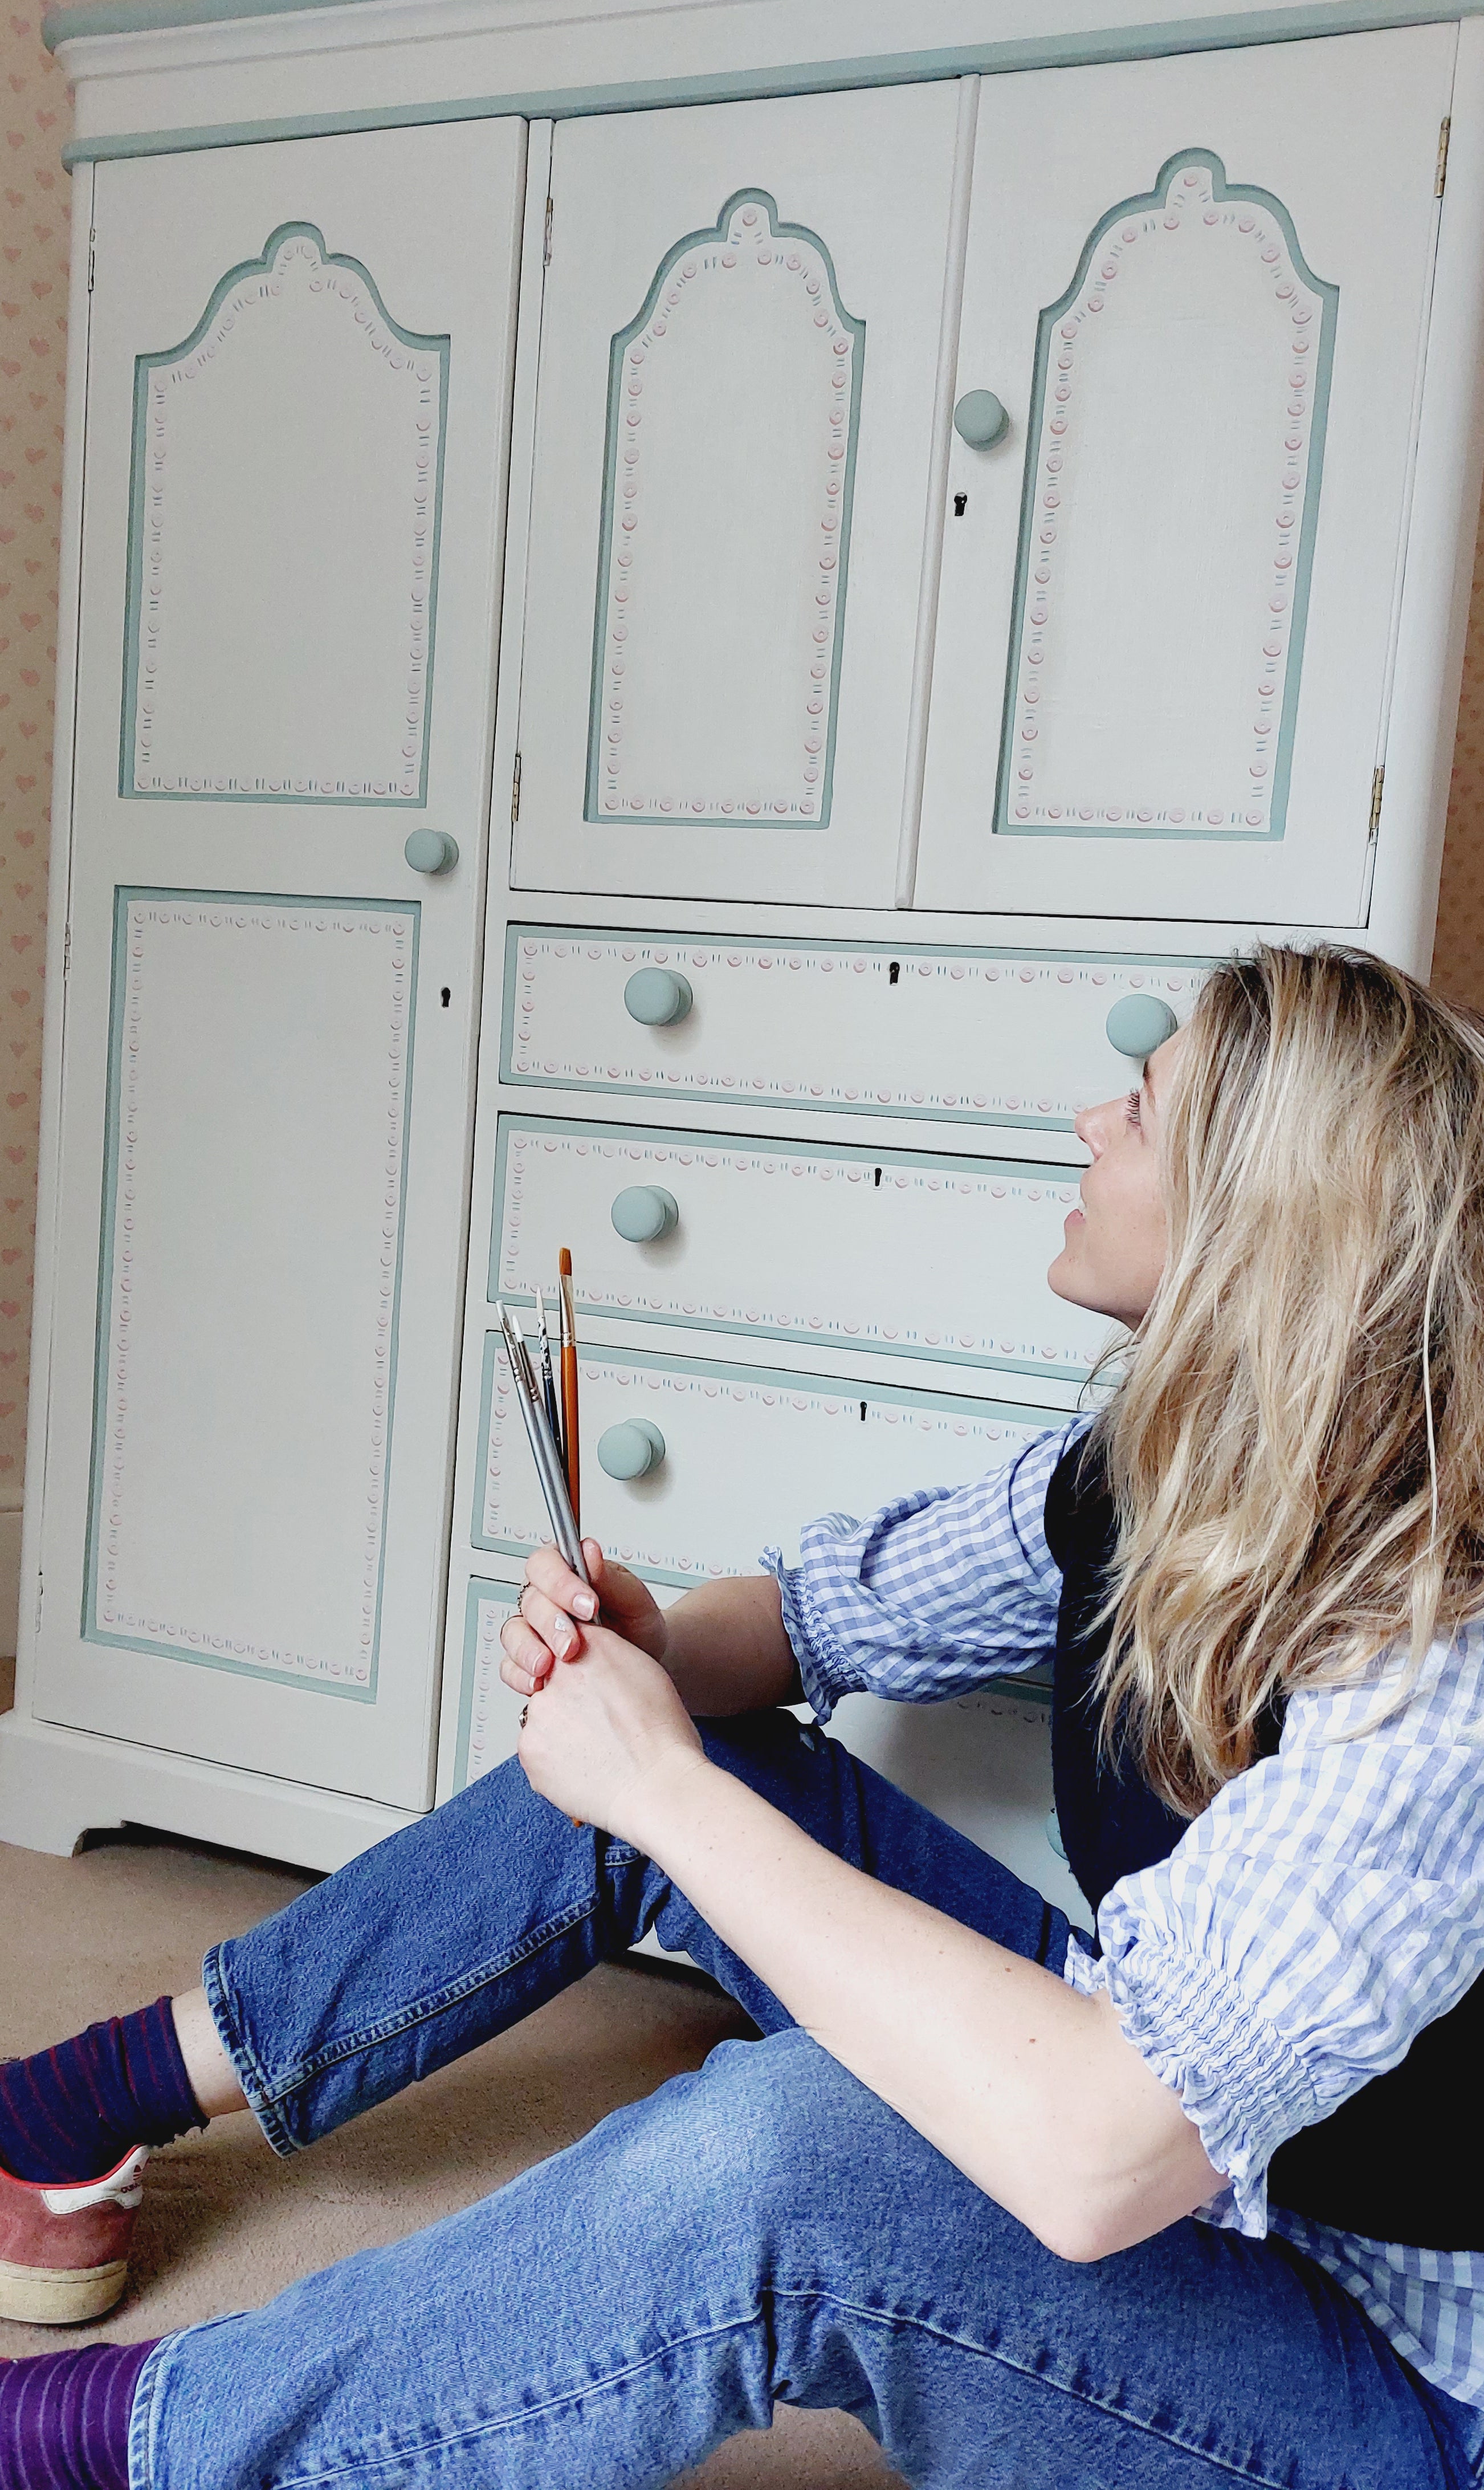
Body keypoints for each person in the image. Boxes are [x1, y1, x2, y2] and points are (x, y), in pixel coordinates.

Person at [2, 942, 1482, 2489]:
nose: (1082, 1124)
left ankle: (119, 2449)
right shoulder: (1164, 1451)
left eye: (1137, 1109)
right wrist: (652, 1655)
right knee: (696, 1755)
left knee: (795, 2160)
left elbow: (1100, 2156)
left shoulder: (1437, 1671)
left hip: (1384, 2391)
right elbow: (818, 1617)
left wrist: (653, 1788)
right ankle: (68, 2111)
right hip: (1170, 2097)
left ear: (1255, 1229)